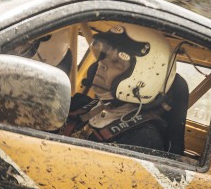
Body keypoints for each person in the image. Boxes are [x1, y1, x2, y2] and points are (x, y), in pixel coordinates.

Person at [59, 23, 178, 152]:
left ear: (143, 77)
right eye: (105, 55)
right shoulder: (80, 105)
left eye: (117, 62)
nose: (101, 63)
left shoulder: (143, 138)